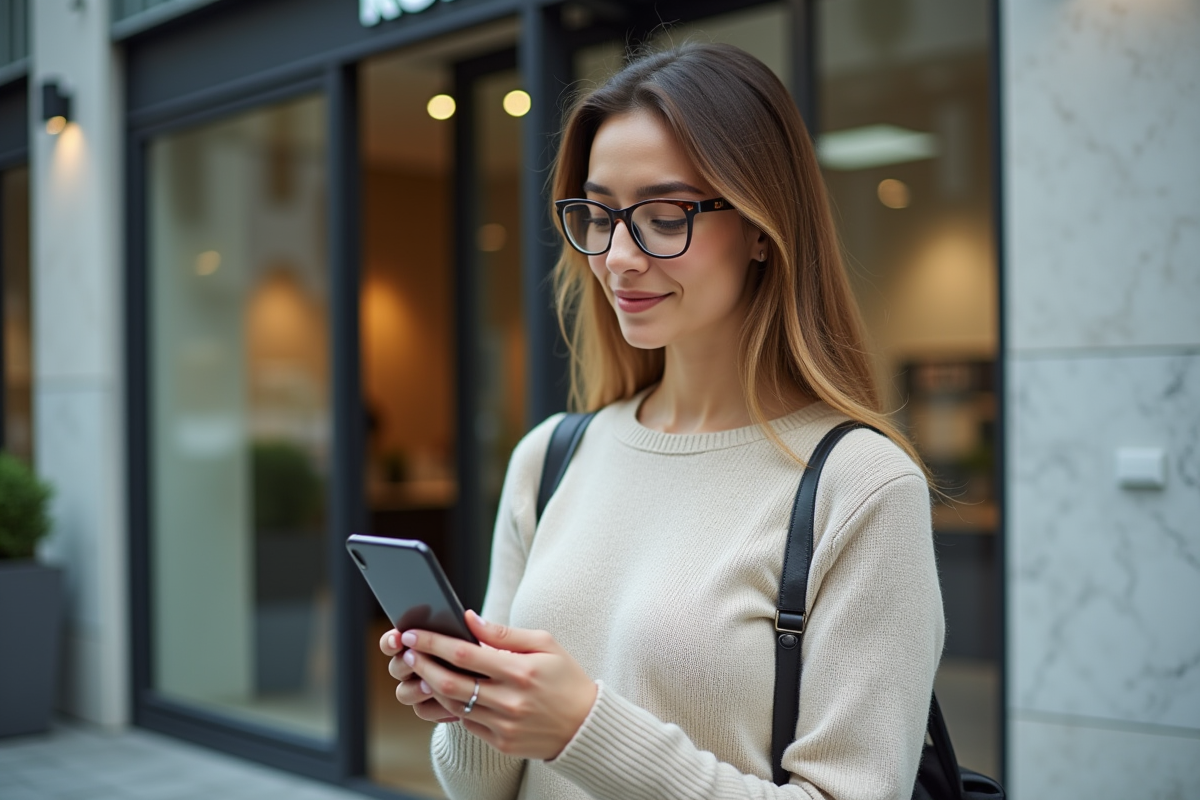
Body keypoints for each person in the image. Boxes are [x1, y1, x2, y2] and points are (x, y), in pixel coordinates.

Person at [380, 42, 944, 800]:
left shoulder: (860, 487)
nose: (617, 256)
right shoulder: (551, 457)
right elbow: (480, 789)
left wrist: (584, 729)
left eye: (663, 215)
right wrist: (474, 702)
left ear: (759, 227)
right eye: (600, 213)